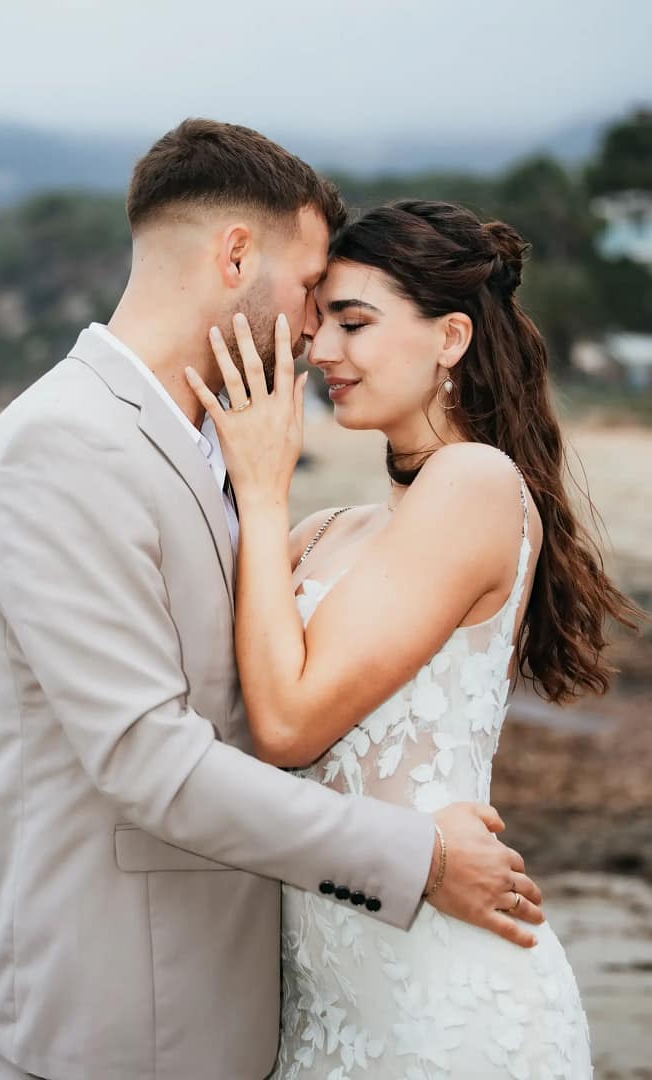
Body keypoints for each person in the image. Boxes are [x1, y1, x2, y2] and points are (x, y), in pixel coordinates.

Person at [0, 124, 542, 1080]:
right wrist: (421, 858)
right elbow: (149, 757)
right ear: (236, 255)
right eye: (313, 286)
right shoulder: (63, 440)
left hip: (262, 1004)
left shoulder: (224, 447)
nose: (314, 330)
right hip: (117, 1014)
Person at [186, 199, 639, 1077]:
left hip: (442, 1004)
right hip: (321, 1007)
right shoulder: (325, 533)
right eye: (322, 323)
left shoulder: (476, 482)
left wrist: (264, 488)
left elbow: (287, 726)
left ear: (450, 338)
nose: (322, 350)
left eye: (355, 323)